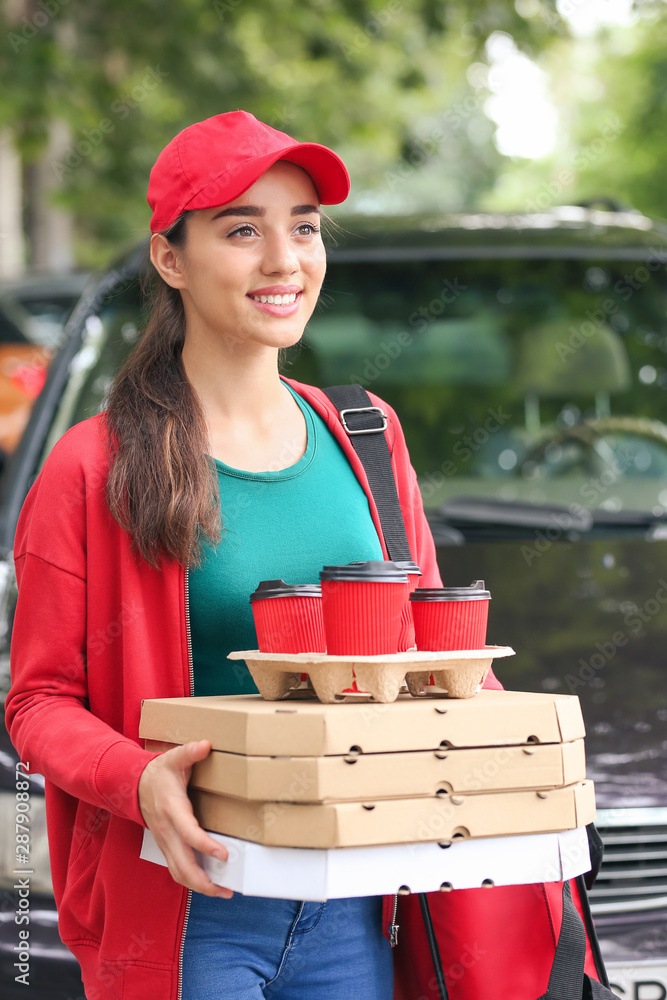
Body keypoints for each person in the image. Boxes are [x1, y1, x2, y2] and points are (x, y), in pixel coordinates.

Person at [7, 110, 469, 1000]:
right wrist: (134, 777)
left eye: (303, 228)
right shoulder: (93, 466)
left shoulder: (367, 435)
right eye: (242, 230)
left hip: (356, 908)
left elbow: (430, 659)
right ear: (170, 258)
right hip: (188, 908)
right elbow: (37, 701)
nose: (283, 260)